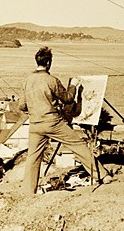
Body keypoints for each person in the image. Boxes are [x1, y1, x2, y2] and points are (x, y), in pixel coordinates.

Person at [18, 46, 112, 194]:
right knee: (78, 145)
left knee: (33, 157)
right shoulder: (51, 80)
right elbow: (68, 99)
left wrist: (36, 109)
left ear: (37, 61)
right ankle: (103, 176)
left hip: (35, 125)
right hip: (53, 123)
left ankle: (28, 192)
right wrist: (73, 86)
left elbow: (22, 106)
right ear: (48, 63)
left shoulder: (27, 80)